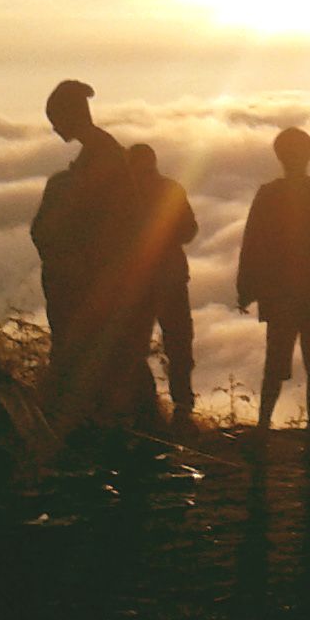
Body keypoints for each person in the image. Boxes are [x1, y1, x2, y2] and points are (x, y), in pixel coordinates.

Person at [31, 78, 139, 434]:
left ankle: (107, 423)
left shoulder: (102, 157)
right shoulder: (98, 154)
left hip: (92, 274)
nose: (52, 126)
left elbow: (106, 219)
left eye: (55, 117)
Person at [236, 128, 310, 433]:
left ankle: (263, 427)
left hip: (280, 292)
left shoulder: (268, 194)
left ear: (279, 156)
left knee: (275, 363)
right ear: (309, 154)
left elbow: (252, 244)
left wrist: (246, 289)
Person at [125, 142, 201, 435]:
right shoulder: (170, 189)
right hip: (169, 277)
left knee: (137, 346)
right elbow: (189, 230)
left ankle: (147, 412)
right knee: (179, 344)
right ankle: (181, 411)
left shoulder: (126, 195)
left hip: (142, 280)